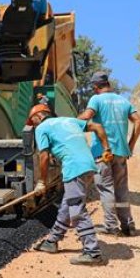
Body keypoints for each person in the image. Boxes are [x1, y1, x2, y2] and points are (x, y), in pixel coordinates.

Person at [27, 104, 113, 266]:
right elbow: (97, 126)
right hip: (88, 165)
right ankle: (52, 241)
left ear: (39, 116)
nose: (35, 125)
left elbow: (43, 156)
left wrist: (41, 181)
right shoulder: (68, 120)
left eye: (34, 121)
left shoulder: (42, 128)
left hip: (74, 167)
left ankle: (92, 252)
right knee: (68, 203)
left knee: (76, 209)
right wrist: (106, 148)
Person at [77, 71, 140, 236]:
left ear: (95, 87)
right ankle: (127, 224)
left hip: (102, 152)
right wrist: (131, 145)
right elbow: (139, 121)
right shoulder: (123, 101)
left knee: (106, 188)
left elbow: (86, 116)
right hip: (121, 152)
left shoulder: (96, 99)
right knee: (121, 188)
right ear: (108, 84)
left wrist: (72, 123)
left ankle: (111, 226)